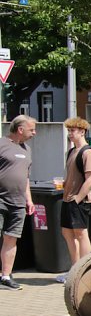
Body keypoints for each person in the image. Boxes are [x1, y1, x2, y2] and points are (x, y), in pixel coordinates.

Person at [0, 115, 37, 290]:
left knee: (11, 238)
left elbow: (25, 178)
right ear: (20, 129)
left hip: (18, 202)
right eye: (32, 129)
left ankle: (6, 277)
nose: (34, 133)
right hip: (0, 200)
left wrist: (29, 200)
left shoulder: (27, 150)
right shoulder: (2, 144)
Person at [57, 117, 91, 283]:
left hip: (78, 200)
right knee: (67, 232)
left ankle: (83, 270)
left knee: (81, 233)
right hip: (68, 198)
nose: (70, 134)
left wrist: (78, 198)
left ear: (82, 131)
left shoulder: (87, 152)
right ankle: (74, 269)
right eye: (69, 131)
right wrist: (64, 185)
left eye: (73, 130)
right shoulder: (72, 152)